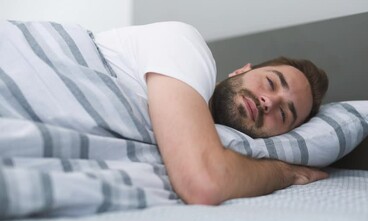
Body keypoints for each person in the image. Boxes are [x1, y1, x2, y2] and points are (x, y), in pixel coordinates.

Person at [95, 21, 329, 205]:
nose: (269, 101)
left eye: (283, 114)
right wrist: (284, 173)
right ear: (241, 70)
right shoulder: (186, 44)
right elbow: (203, 183)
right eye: (270, 82)